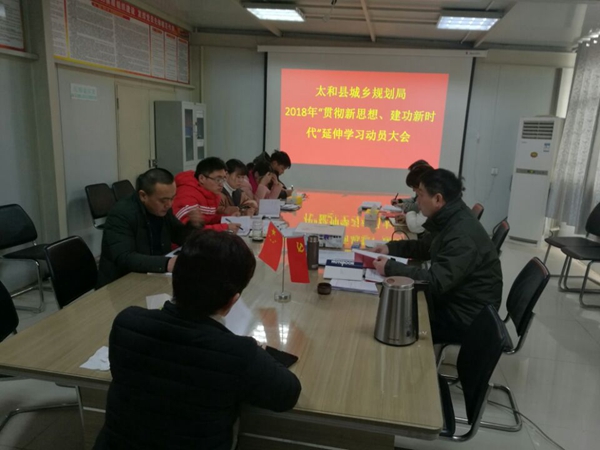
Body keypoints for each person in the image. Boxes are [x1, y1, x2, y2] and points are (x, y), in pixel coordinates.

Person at [94, 230, 302, 450]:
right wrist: (257, 351)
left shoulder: (127, 322)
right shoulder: (237, 353)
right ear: (232, 301)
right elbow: (288, 394)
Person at [373, 169, 502, 344]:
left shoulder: (462, 236)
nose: (417, 202)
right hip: (455, 301)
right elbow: (425, 247)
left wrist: (390, 267)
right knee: (393, 305)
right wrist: (390, 248)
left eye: (420, 195)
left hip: (465, 318)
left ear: (438, 199)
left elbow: (434, 282)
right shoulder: (451, 217)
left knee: (391, 319)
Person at [97, 168, 202, 288]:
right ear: (143, 196)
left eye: (172, 198)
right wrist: (167, 263)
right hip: (120, 284)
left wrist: (193, 226)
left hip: (152, 275)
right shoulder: (121, 214)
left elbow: (178, 235)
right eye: (163, 200)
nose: (169, 204)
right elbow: (125, 258)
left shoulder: (162, 208)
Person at [172, 157, 241, 233]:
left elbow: (208, 219)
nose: (221, 184)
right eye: (218, 179)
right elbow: (190, 230)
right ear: (202, 178)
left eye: (223, 179)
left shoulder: (212, 193)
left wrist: (228, 218)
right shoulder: (187, 195)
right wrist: (225, 227)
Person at [393, 164, 433, 237]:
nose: (413, 190)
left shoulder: (430, 199)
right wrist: (406, 217)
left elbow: (415, 227)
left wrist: (409, 213)